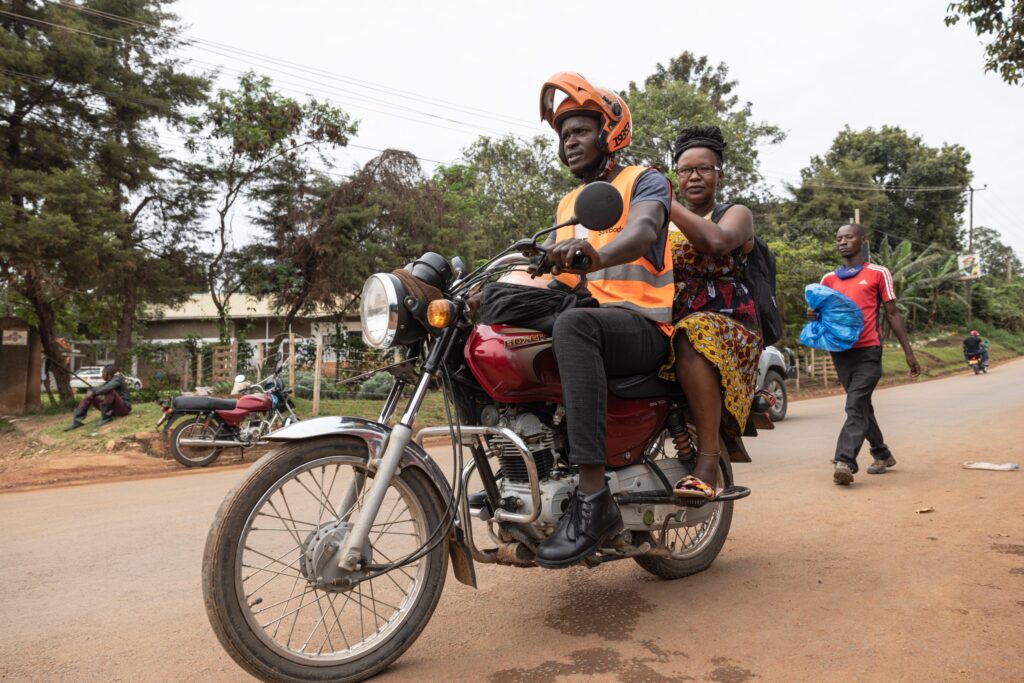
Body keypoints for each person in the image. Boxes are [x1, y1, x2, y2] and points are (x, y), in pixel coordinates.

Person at [532, 73, 673, 568]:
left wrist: (593, 255)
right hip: (591, 314)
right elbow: (559, 277)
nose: (568, 142)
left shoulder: (645, 179)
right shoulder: (570, 204)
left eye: (579, 131)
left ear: (610, 131)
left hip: (643, 325)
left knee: (573, 327)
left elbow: (642, 232)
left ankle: (594, 500)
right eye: (562, 135)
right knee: (495, 319)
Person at [657, 125, 762, 500]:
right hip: (668, 312)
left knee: (692, 332)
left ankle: (707, 462)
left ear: (721, 173)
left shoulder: (735, 214)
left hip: (728, 318)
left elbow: (714, 242)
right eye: (685, 170)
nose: (694, 176)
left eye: (704, 168)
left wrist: (665, 204)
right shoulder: (659, 221)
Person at [810, 224, 921, 485]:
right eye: (839, 238)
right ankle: (882, 454)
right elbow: (822, 313)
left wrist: (909, 352)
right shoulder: (828, 279)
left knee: (854, 404)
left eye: (849, 237)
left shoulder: (878, 273)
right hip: (840, 352)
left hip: (869, 350)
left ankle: (844, 461)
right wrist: (814, 315)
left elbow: (892, 313)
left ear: (863, 240)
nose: (843, 242)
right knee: (861, 406)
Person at [65, 364, 132, 431]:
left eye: (103, 373)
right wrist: (90, 391)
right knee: (89, 396)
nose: (102, 375)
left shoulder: (118, 378)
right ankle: (76, 421)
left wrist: (93, 393)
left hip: (123, 410)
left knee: (110, 391)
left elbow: (107, 388)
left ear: (108, 373)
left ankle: (106, 418)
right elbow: (99, 388)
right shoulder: (110, 381)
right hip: (113, 411)